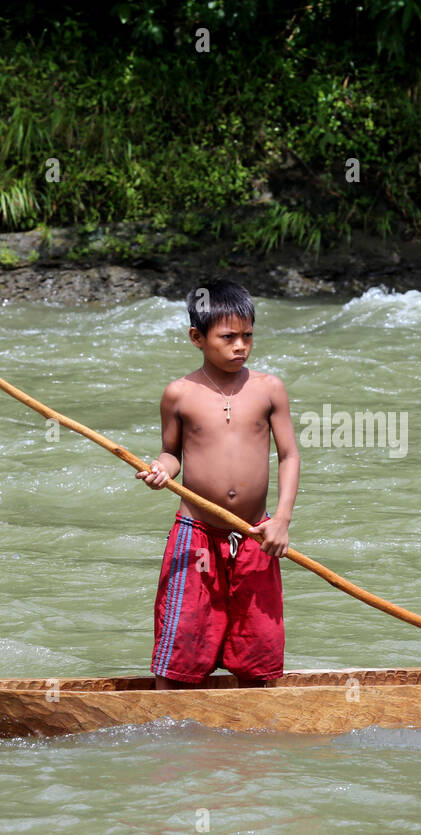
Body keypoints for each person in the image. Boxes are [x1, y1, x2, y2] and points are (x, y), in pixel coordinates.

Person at [135, 280, 299, 689]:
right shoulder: (179, 394)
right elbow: (172, 453)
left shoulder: (268, 388)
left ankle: (251, 735)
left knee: (258, 649)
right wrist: (161, 471)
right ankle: (171, 726)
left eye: (247, 336)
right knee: (182, 646)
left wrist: (281, 519)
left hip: (256, 534)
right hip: (195, 535)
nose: (240, 346)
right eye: (228, 337)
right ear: (197, 338)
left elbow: (289, 456)